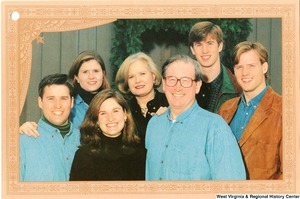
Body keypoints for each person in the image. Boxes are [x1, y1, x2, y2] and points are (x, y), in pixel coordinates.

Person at [145, 54, 246, 180]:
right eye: (172, 79)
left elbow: (232, 189)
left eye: (186, 80)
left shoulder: (215, 129)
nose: (178, 87)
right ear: (164, 84)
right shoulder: (154, 125)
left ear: (197, 86)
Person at [217, 41, 282, 180]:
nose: (244, 73)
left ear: (264, 67)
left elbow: (291, 176)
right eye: (239, 67)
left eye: (251, 66)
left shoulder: (285, 110)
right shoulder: (225, 110)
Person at [19, 50, 110, 136]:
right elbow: (49, 126)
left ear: (103, 73)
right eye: (85, 72)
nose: (91, 76)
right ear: (76, 77)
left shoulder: (113, 102)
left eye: (96, 71)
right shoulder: (68, 103)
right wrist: (28, 127)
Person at [69, 89, 146, 181]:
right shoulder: (83, 156)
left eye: (115, 111)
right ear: (96, 120)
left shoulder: (141, 154)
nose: (110, 118)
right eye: (103, 113)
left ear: (125, 114)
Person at [20, 74, 80, 181]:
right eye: (51, 99)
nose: (57, 105)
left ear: (71, 102)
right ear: (40, 102)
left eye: (63, 98)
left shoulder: (85, 140)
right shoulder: (22, 142)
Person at [115, 52, 168, 146]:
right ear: (127, 82)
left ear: (153, 76)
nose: (137, 80)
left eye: (142, 74)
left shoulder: (169, 103)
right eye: (131, 77)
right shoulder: (123, 109)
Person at [189, 21, 242, 112]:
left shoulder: (238, 88)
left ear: (220, 46)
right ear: (192, 50)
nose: (205, 50)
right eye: (199, 45)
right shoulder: (183, 86)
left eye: (210, 43)